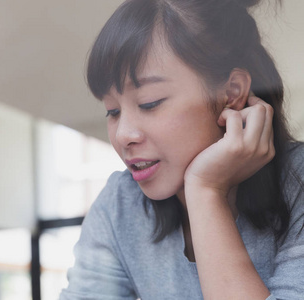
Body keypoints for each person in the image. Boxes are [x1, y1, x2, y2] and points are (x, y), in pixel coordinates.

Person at [59, 0, 304, 299]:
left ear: (232, 93)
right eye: (112, 112)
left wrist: (205, 190)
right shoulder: (120, 206)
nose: (123, 135)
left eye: (149, 103)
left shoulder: (299, 185)